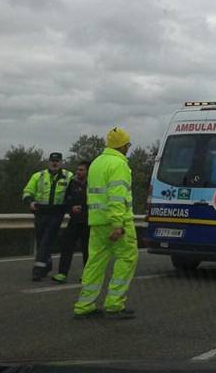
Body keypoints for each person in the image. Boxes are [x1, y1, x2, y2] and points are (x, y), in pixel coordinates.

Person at [73, 127, 138, 319]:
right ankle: (114, 304)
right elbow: (117, 196)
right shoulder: (119, 165)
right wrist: (118, 224)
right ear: (124, 146)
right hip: (117, 222)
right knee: (126, 258)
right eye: (128, 145)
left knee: (95, 262)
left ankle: (84, 305)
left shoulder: (96, 163)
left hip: (97, 221)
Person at [22, 152, 73, 281]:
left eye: (57, 161)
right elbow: (27, 191)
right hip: (40, 212)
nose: (54, 163)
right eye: (52, 161)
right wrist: (30, 202)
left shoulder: (68, 176)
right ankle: (47, 264)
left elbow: (76, 190)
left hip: (57, 213)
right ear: (48, 162)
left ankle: (37, 271)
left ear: (61, 162)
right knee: (41, 241)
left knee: (46, 240)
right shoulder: (38, 176)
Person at [52, 160, 90, 283]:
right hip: (74, 221)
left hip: (88, 222)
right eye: (77, 169)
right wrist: (71, 208)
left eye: (81, 170)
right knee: (67, 246)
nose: (78, 172)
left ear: (88, 171)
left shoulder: (93, 185)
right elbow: (66, 199)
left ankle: (87, 275)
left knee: (88, 250)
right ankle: (62, 273)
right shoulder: (72, 183)